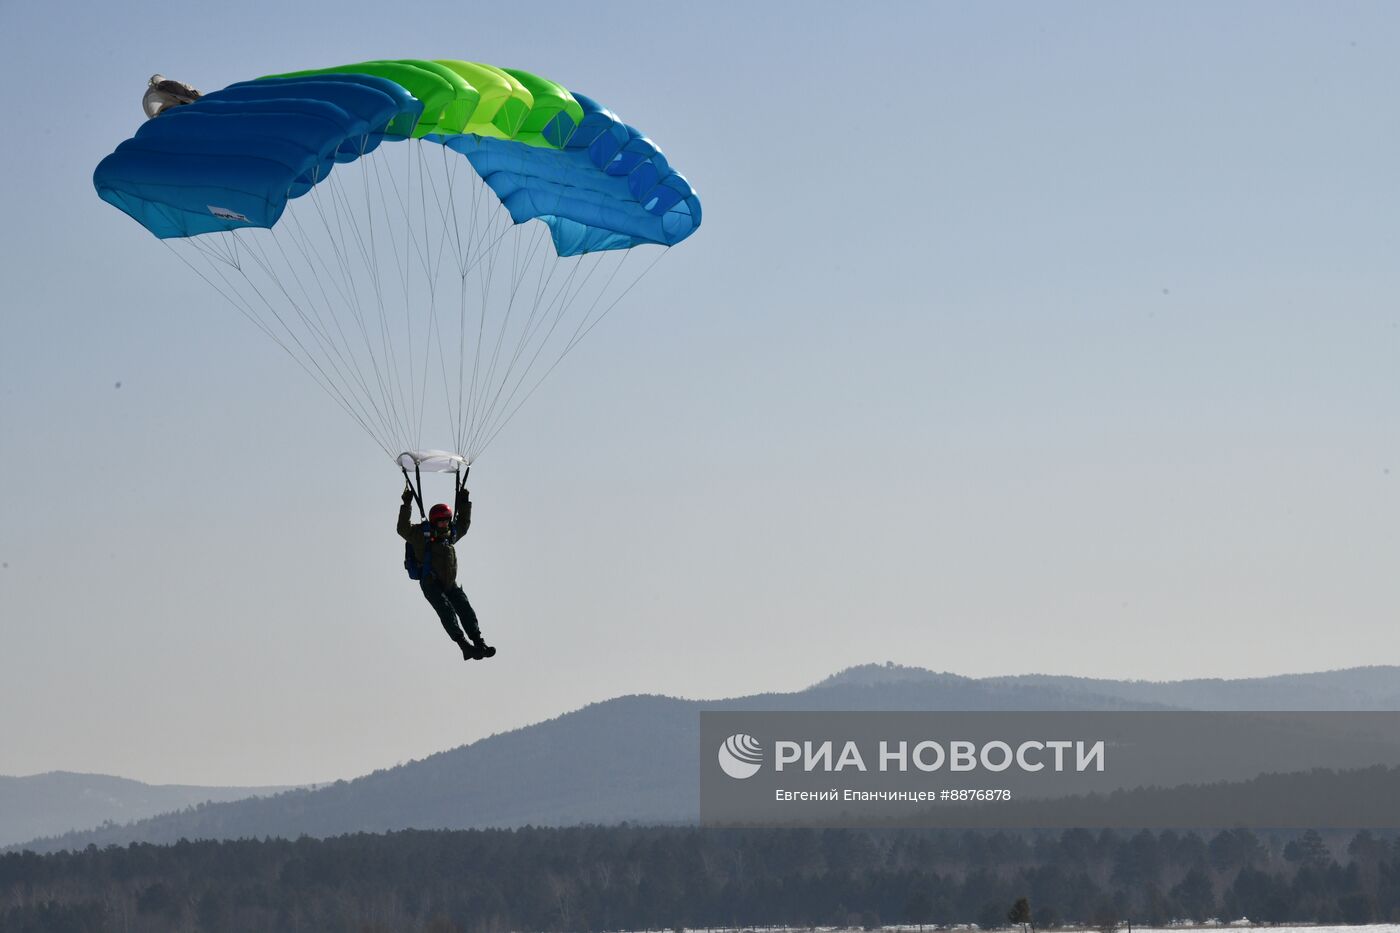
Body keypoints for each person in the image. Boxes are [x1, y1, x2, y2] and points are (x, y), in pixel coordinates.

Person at [399, 482, 496, 660]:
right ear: (434, 522)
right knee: (447, 611)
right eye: (440, 521)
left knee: (465, 608)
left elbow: (464, 525)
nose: (444, 524)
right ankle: (463, 645)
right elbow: (402, 529)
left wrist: (464, 502)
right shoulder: (421, 536)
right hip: (430, 583)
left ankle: (478, 642)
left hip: (449, 583)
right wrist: (406, 504)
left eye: (446, 520)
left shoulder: (449, 535)